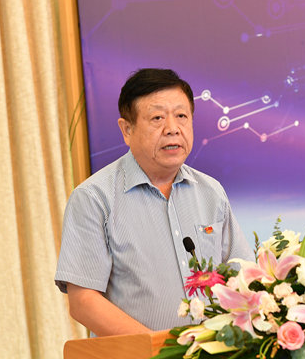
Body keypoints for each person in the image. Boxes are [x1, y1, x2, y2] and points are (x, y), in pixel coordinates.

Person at [54, 68, 253, 337]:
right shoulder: (94, 198)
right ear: (127, 129)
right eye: (157, 118)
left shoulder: (211, 192)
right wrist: (157, 351)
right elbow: (84, 302)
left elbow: (243, 274)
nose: (172, 129)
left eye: (181, 116)